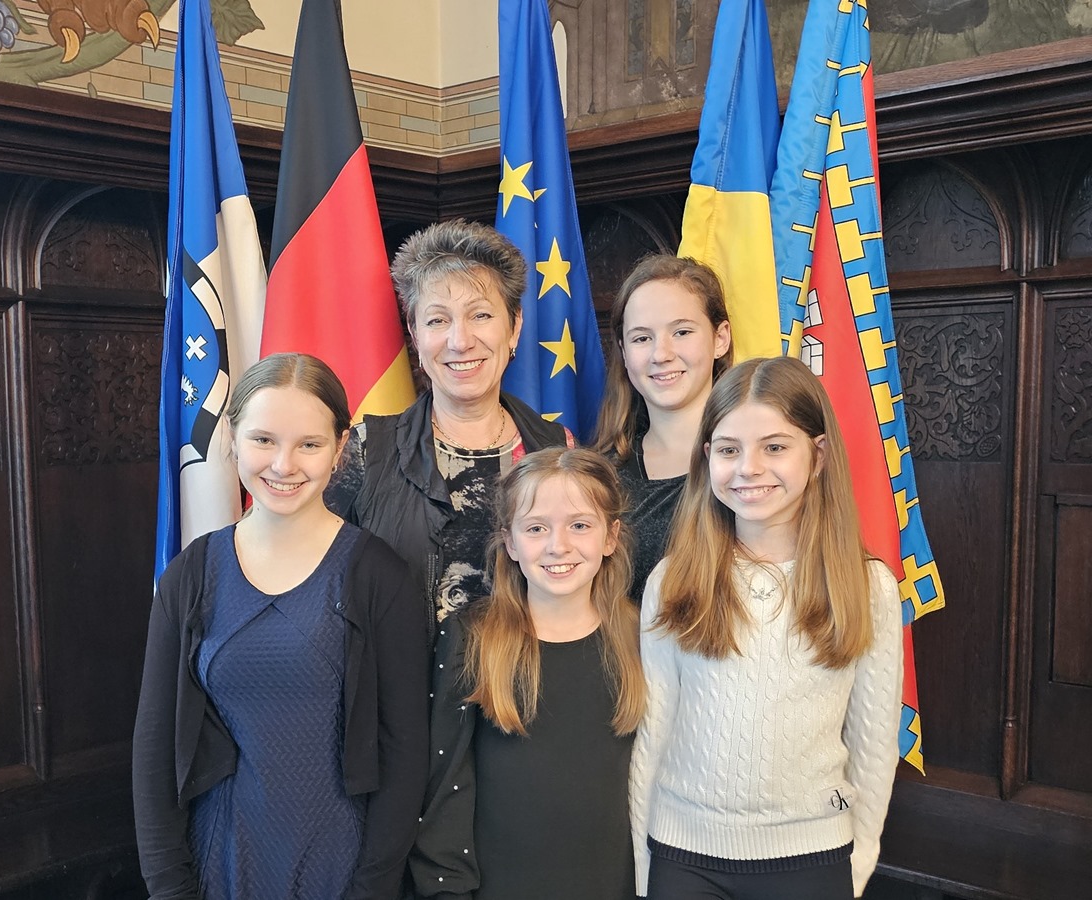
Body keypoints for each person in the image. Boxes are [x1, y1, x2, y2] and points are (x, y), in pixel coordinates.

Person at [132, 353, 429, 900]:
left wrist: (372, 889)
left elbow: (406, 751)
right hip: (217, 865)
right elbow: (154, 751)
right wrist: (169, 890)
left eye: (309, 444)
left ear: (341, 449)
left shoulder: (379, 577)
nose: (283, 464)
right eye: (264, 440)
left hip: (343, 867)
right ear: (234, 437)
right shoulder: (190, 577)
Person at [629, 357, 903, 900]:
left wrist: (859, 860)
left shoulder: (867, 586)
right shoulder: (674, 579)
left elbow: (873, 743)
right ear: (707, 459)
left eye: (775, 447)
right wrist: (642, 860)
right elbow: (653, 730)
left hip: (812, 856)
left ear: (818, 455)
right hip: (684, 857)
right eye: (729, 449)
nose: (749, 467)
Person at [410, 447, 645, 900]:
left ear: (611, 536)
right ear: (510, 542)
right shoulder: (470, 638)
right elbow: (445, 791)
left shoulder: (643, 637)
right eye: (537, 528)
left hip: (615, 883)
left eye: (580, 525)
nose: (559, 546)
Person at [328, 219, 571, 629]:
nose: (460, 341)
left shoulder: (557, 446)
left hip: (530, 686)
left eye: (480, 315)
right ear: (415, 334)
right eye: (438, 320)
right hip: (399, 689)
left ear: (514, 327)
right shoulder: (367, 448)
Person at [592, 254, 732, 602]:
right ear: (623, 352)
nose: (661, 354)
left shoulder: (763, 465)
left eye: (681, 332)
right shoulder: (600, 477)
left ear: (720, 338)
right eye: (642, 338)